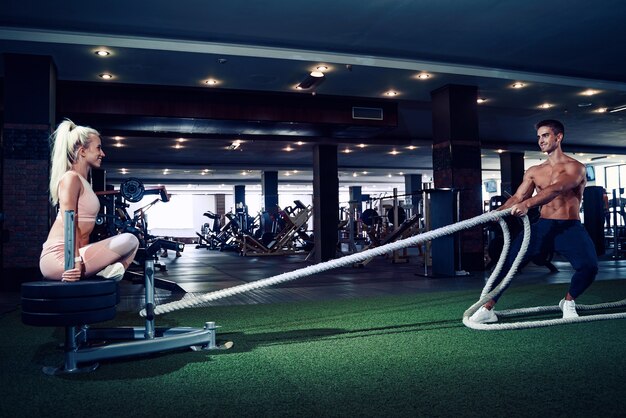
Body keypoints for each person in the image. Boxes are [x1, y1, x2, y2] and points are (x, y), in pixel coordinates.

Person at [470, 119, 598, 323]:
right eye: (538, 137)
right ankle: (487, 308)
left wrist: (528, 205)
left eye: (545, 135)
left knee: (589, 267)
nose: (540, 140)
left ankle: (569, 301)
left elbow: (556, 189)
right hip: (543, 226)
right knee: (508, 265)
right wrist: (498, 211)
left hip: (569, 227)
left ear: (559, 137)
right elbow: (517, 197)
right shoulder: (534, 171)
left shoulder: (576, 168)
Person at [40, 119, 139, 282]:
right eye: (98, 148)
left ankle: (105, 277)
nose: (103, 153)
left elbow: (82, 233)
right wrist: (75, 261)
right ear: (82, 151)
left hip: (76, 252)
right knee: (129, 240)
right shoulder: (70, 178)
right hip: (60, 256)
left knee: (132, 241)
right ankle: (102, 275)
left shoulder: (84, 181)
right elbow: (69, 221)